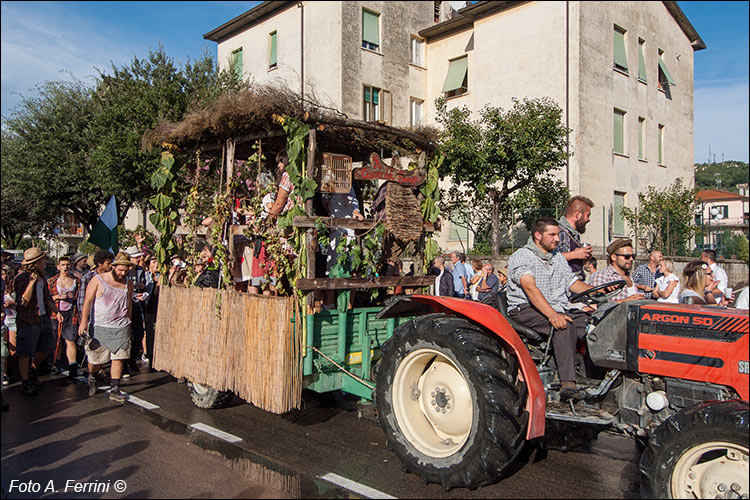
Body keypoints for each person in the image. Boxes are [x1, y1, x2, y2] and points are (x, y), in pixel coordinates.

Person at [506, 218, 606, 399]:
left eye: (558, 234)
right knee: (563, 325)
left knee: (596, 324)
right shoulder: (522, 256)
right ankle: (568, 383)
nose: (557, 239)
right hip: (525, 309)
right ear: (538, 236)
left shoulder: (557, 257)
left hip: (556, 306)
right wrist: (552, 314)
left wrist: (598, 292)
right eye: (552, 234)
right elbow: (529, 287)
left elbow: (572, 283)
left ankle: (593, 377)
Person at [78, 251, 134, 402]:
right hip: (100, 326)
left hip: (121, 326)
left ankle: (115, 389)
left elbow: (128, 304)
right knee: (96, 360)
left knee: (119, 358)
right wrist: (83, 321)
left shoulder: (129, 283)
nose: (123, 273)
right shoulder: (97, 280)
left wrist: (129, 323)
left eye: (126, 271)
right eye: (120, 270)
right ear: (114, 267)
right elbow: (87, 302)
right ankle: (93, 376)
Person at [13, 248, 63, 396]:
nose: (44, 262)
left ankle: (32, 369)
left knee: (47, 346)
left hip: (43, 317)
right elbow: (23, 302)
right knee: (25, 351)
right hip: (29, 318)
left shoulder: (42, 276)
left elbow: (47, 298)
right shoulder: (22, 278)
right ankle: (25, 381)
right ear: (34, 263)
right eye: (41, 260)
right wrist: (31, 283)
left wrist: (56, 311)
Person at [47, 255, 81, 378]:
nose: (65, 267)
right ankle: (56, 362)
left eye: (67, 265)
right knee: (57, 339)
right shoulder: (51, 281)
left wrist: (74, 296)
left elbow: (81, 297)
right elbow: (47, 298)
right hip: (56, 313)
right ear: (58, 267)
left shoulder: (76, 281)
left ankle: (73, 364)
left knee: (70, 339)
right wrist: (58, 297)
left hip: (71, 313)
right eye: (63, 265)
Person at [587, 239, 646, 303]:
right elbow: (597, 307)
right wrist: (626, 301)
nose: (631, 259)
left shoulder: (629, 276)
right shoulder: (601, 276)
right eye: (627, 256)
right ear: (614, 257)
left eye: (633, 256)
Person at [557, 196, 595, 280]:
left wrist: (584, 258)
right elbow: (551, 259)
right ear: (578, 215)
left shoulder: (574, 234)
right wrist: (574, 254)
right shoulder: (561, 232)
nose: (589, 219)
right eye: (588, 215)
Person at [125, 246, 147, 375]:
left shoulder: (139, 270)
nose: (139, 259)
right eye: (136, 257)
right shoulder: (123, 271)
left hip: (138, 305)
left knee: (139, 334)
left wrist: (142, 288)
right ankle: (123, 363)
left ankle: (132, 358)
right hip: (126, 305)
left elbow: (143, 284)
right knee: (126, 334)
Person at [2, 265, 17, 386]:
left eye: (6, 273)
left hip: (12, 320)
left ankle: (11, 369)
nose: (4, 275)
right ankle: (4, 372)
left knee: (12, 350)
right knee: (3, 349)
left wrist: (12, 303)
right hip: (3, 320)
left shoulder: (15, 287)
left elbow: (22, 303)